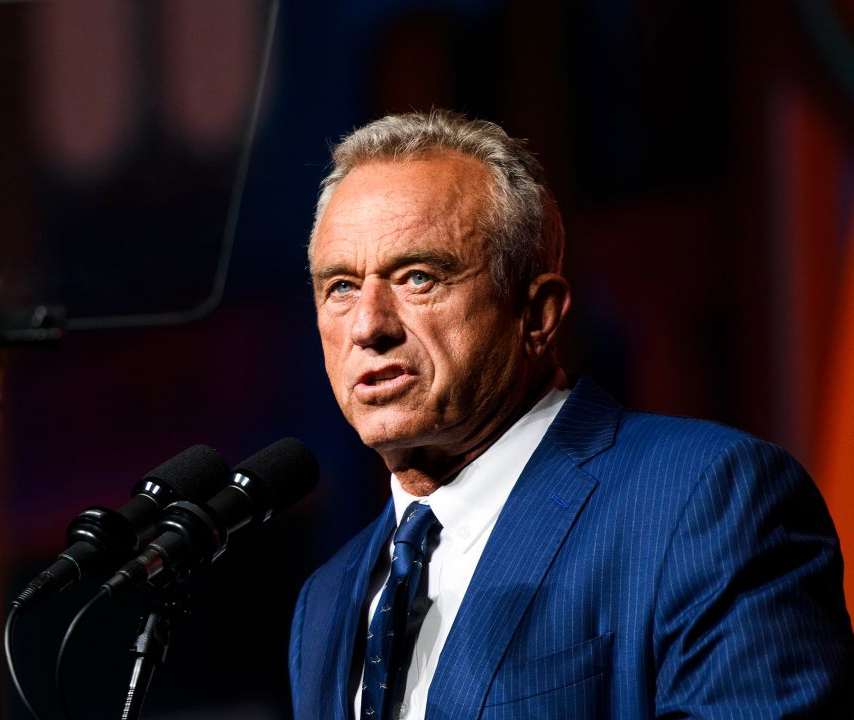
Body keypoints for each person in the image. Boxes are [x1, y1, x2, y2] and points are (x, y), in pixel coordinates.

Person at [289, 109, 854, 719]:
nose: (369, 325)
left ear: (537, 315)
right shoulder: (324, 602)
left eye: (419, 277)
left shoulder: (704, 502)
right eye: (341, 286)